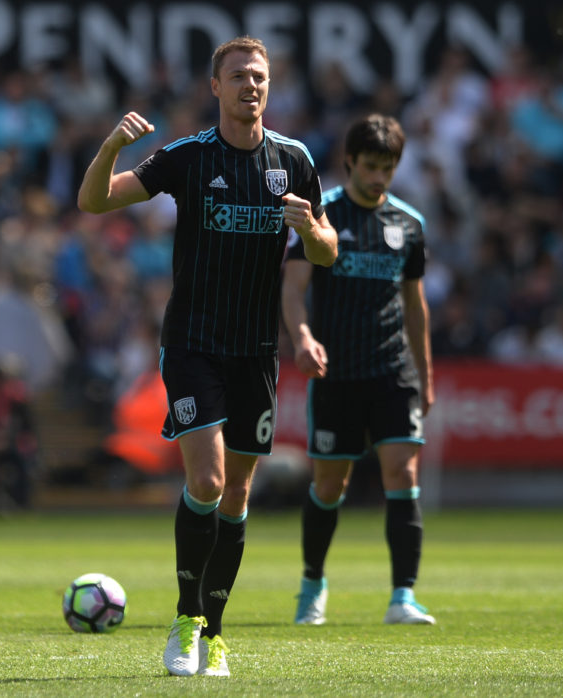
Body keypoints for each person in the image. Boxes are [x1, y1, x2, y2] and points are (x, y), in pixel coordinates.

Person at [77, 36, 337, 677]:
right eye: (240, 76)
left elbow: (329, 252)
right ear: (215, 87)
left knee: (238, 494)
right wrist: (113, 146)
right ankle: (185, 620)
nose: (252, 85)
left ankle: (214, 631)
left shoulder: (296, 160)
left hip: (256, 350)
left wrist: (310, 230)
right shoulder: (189, 157)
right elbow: (95, 200)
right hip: (192, 342)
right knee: (208, 481)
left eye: (261, 76)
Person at [281, 113, 436, 627]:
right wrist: (302, 337)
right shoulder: (322, 214)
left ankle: (403, 596)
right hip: (337, 374)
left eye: (388, 168)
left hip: (393, 371)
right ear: (349, 161)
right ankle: (312, 583)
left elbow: (415, 306)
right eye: (370, 166)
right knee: (329, 486)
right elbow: (294, 288)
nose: (379, 177)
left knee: (402, 473)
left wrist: (426, 376)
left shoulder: (409, 225)